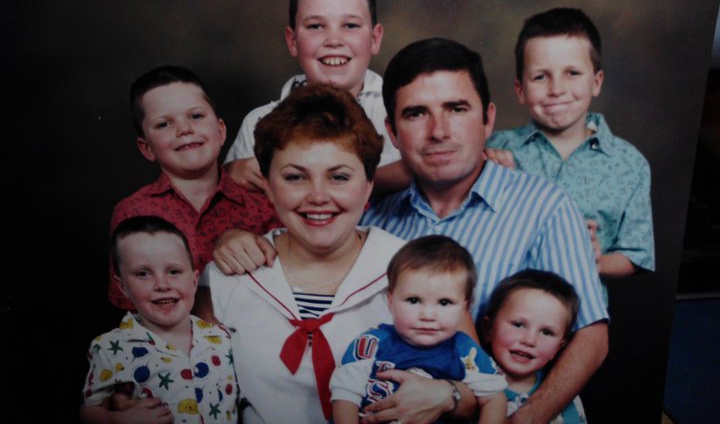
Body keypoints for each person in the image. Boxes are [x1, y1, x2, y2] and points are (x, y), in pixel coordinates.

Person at [212, 38, 609, 423]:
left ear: (488, 119)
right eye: (416, 114)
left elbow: (591, 335)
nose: (439, 131)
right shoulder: (376, 215)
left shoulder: (545, 205)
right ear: (393, 131)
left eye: (456, 109)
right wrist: (231, 238)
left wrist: (511, 418)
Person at [199, 84, 476, 424]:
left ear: (368, 185)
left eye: (339, 177)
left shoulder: (416, 270)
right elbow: (183, 387)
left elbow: (478, 393)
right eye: (295, 177)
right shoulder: (231, 274)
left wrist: (448, 395)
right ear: (269, 187)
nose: (318, 196)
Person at [486, 8, 655, 303]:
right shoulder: (497, 148)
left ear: (596, 82)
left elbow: (636, 255)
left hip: (581, 314)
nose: (556, 89)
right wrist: (483, 167)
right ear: (520, 90)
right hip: (499, 307)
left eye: (572, 73)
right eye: (540, 77)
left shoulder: (629, 163)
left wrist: (594, 260)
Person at [222, 0, 409, 196]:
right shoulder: (257, 123)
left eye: (350, 25)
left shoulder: (401, 114)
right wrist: (228, 173)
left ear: (374, 39)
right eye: (315, 26)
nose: (334, 40)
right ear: (292, 41)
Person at [109, 66, 280, 309]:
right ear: (146, 148)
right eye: (164, 124)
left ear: (220, 131)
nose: (184, 129)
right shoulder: (132, 212)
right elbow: (128, 306)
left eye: (196, 116)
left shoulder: (263, 202)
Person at [331, 235, 507, 424]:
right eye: (413, 300)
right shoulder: (371, 343)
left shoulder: (465, 350)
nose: (428, 315)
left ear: (465, 308)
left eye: (444, 302)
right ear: (391, 302)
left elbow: (494, 398)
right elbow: (344, 398)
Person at [81, 216, 239, 424]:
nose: (162, 284)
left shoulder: (222, 338)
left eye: (174, 271)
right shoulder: (111, 348)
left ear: (193, 280)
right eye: (143, 273)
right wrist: (118, 420)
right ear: (122, 287)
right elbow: (89, 411)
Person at [481, 269, 586, 423]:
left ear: (558, 348)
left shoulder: (564, 401)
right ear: (488, 329)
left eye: (546, 332)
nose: (529, 340)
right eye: (518, 324)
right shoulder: (469, 384)